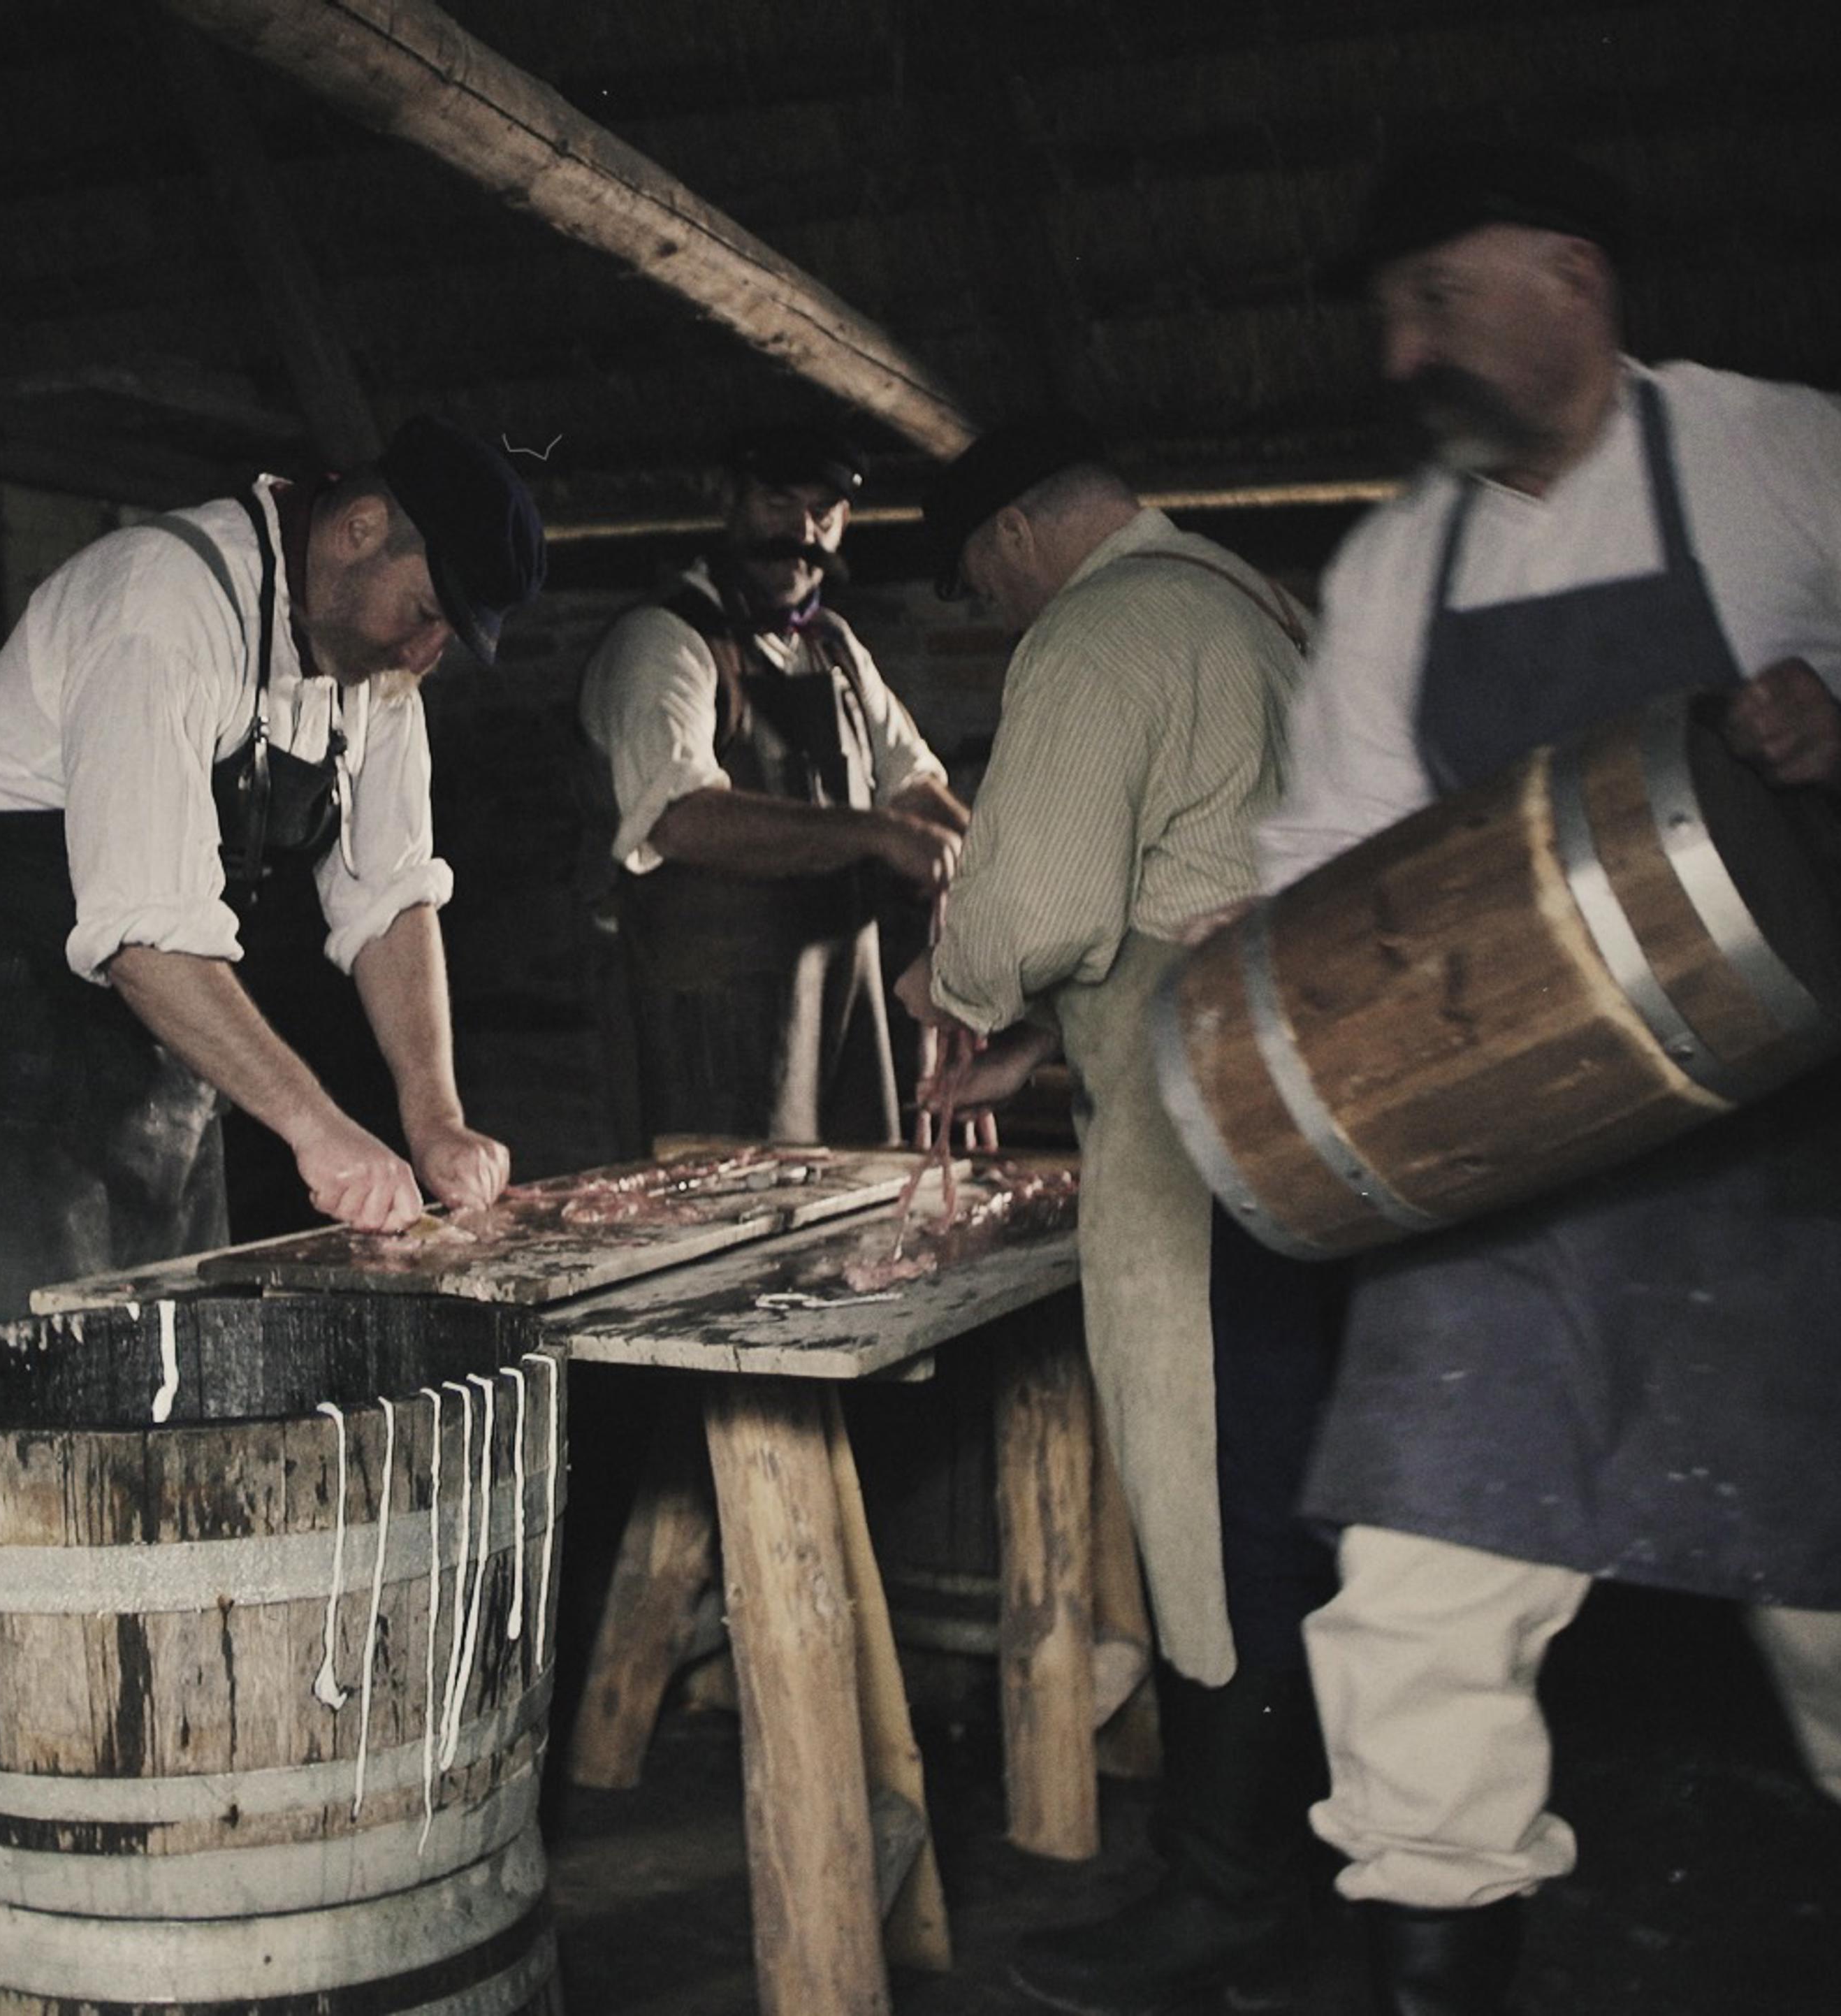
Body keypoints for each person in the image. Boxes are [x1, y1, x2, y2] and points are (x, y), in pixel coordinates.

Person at [1258, 143, 1841, 2014]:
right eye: (1389, 316)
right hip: (1510, 1151)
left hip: (1789, 1154)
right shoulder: (1395, 564)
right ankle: (1438, 1954)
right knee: (1416, 1584)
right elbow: (1330, 848)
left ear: (1573, 280)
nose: (1403, 352)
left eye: (1437, 298)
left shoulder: (1778, 456)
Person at [901, 416, 1346, 2015]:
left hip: (1188, 1114)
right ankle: (1301, 1855)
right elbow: (1191, 864)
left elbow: (1038, 904)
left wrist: (952, 983)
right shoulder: (1250, 600)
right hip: (1296, 1101)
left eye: (983, 579)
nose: (998, 603)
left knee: (1207, 1492)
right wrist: (1037, 1046)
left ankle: (1224, 1890)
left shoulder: (1097, 629)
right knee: (1280, 1473)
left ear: (1016, 533)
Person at [0, 416, 546, 1351]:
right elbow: (142, 940)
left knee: (147, 1331)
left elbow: (391, 897)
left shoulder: (375, 671)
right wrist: (320, 1129)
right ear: (360, 529)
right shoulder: (164, 607)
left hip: (140, 974)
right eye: (426, 612)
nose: (424, 654)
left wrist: (434, 1117)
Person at [576, 421, 966, 1152]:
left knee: (858, 1205)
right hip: (710, 1030)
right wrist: (881, 834)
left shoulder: (835, 647)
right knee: (724, 1214)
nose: (802, 532)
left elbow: (912, 783)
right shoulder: (665, 641)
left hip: (841, 1016)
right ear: (729, 500)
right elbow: (680, 818)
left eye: (824, 512)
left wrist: (995, 875)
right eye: (779, 503)